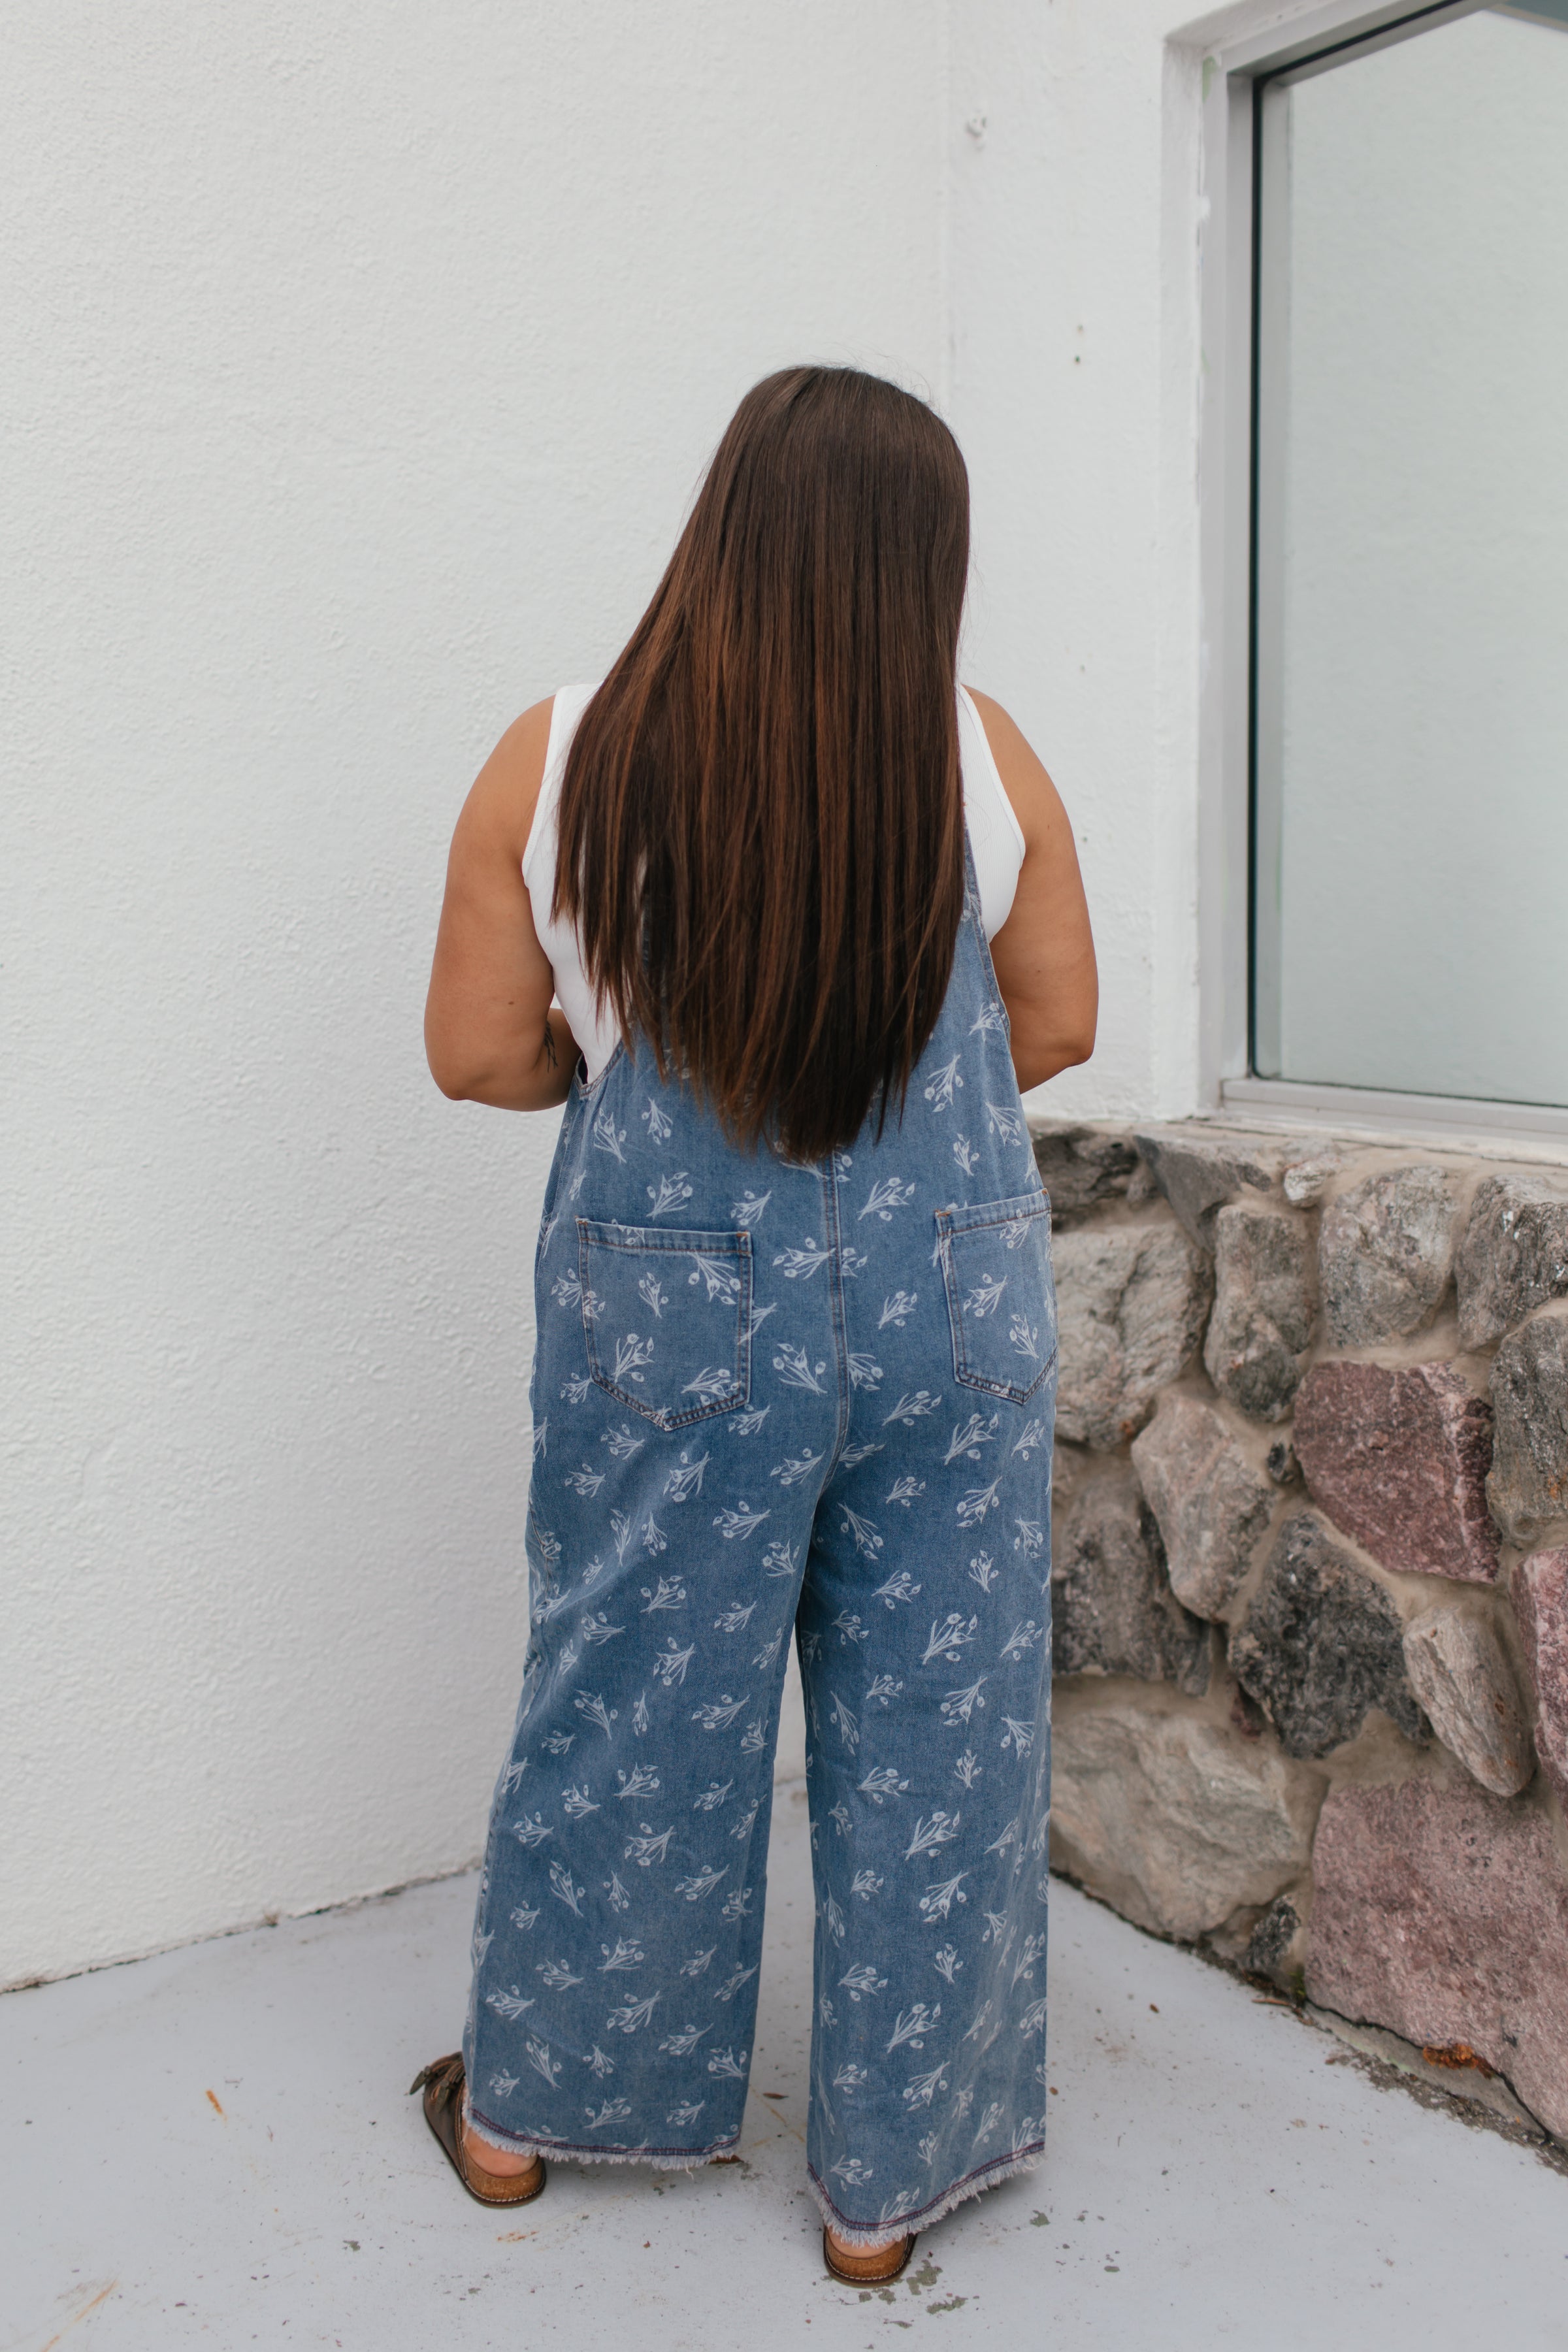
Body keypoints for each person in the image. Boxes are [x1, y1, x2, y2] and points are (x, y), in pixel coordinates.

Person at [416, 365, 1097, 2283]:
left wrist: (616, 1067)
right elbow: (1055, 1025)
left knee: (634, 1705)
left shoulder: (561, 754)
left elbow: (477, 1053)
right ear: (922, 565)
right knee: (946, 1732)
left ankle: (523, 2122)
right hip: (948, 1310)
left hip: (678, 1320)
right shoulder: (982, 756)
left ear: (722, 522)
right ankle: (887, 2200)